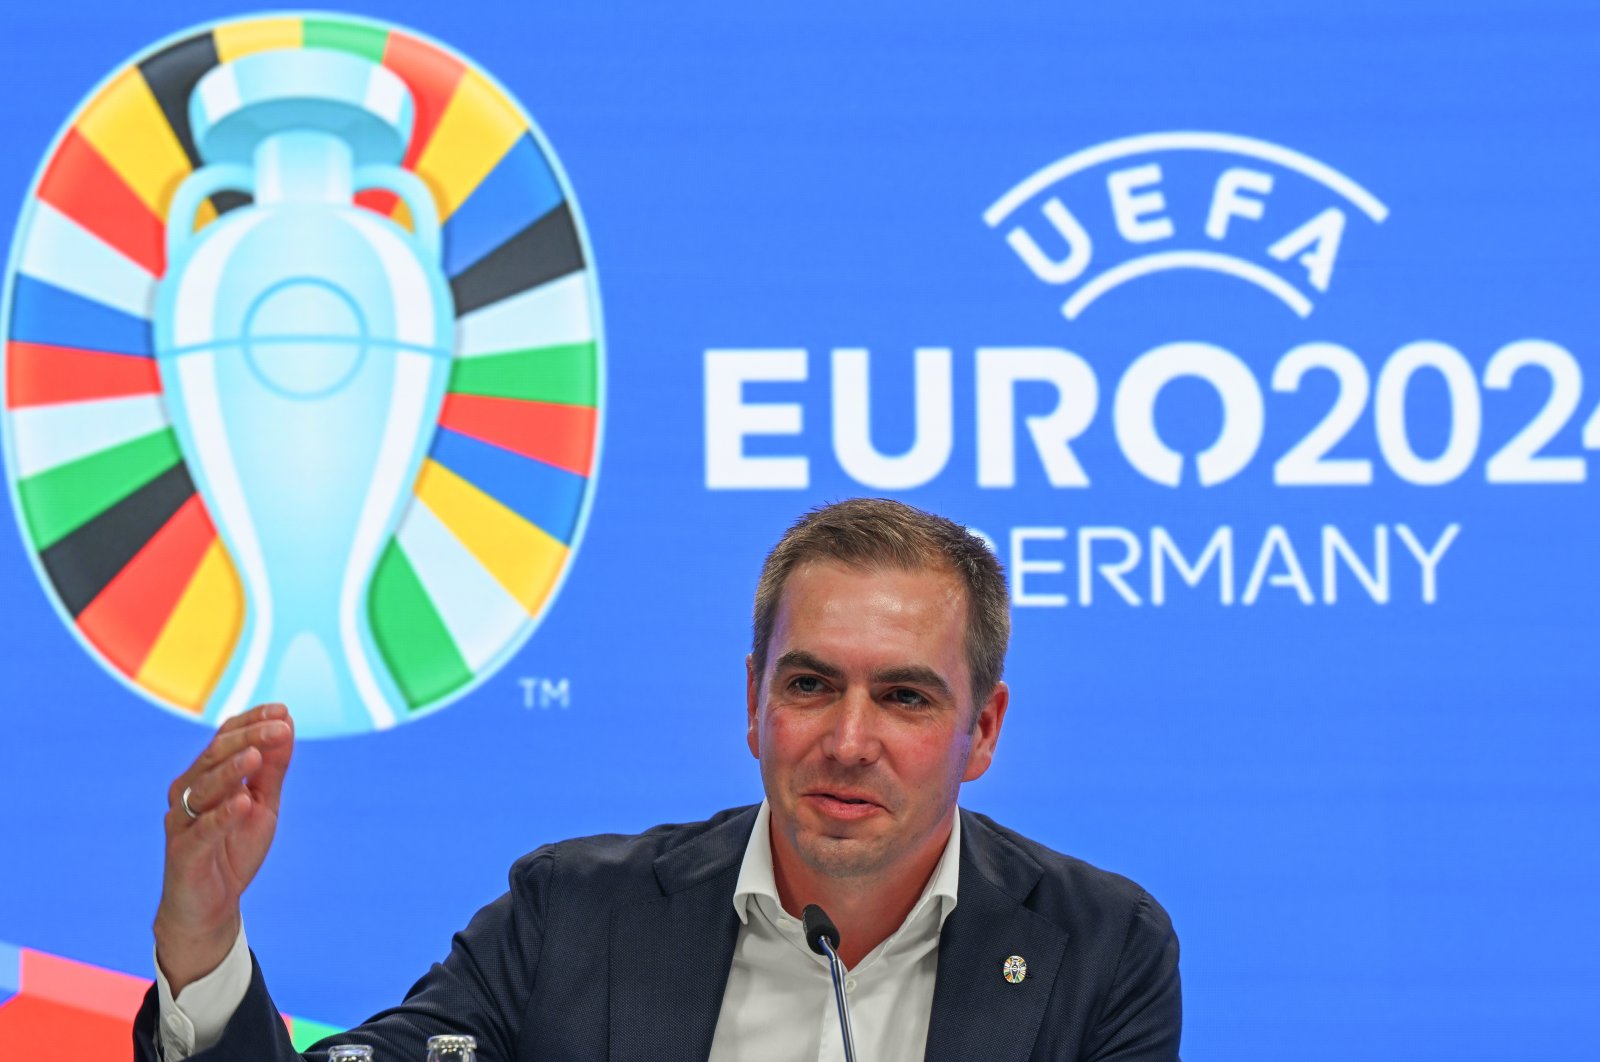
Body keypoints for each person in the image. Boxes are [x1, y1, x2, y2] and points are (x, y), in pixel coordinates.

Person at [136, 498, 1181, 1060]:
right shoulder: (575, 917)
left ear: (983, 730)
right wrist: (205, 943)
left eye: (905, 698)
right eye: (810, 684)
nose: (849, 740)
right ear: (752, 703)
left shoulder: (1096, 948)